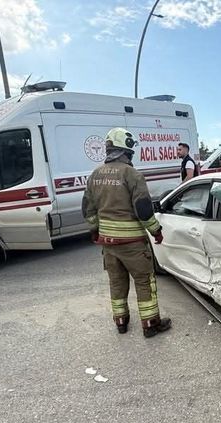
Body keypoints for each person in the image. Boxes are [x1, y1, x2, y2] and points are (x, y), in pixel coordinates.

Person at [82, 127, 171, 338]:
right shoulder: (133, 175)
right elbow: (143, 209)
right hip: (132, 243)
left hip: (108, 244)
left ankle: (121, 322)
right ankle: (150, 325)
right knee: (144, 281)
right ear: (126, 151)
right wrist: (156, 231)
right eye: (130, 153)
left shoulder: (95, 175)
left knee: (116, 282)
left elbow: (88, 208)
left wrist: (95, 231)